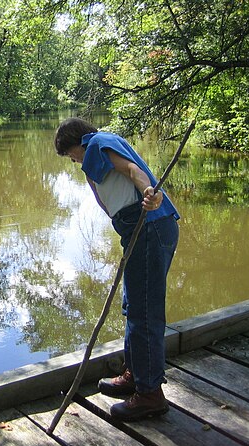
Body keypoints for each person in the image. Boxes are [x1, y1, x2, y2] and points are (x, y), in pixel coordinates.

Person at [54, 117, 179, 421]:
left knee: (144, 312)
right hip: (141, 230)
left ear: (77, 142)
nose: (73, 160)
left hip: (148, 225)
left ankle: (150, 394)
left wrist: (150, 193)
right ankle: (136, 375)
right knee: (133, 305)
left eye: (71, 155)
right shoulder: (99, 149)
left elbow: (134, 172)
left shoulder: (96, 143)